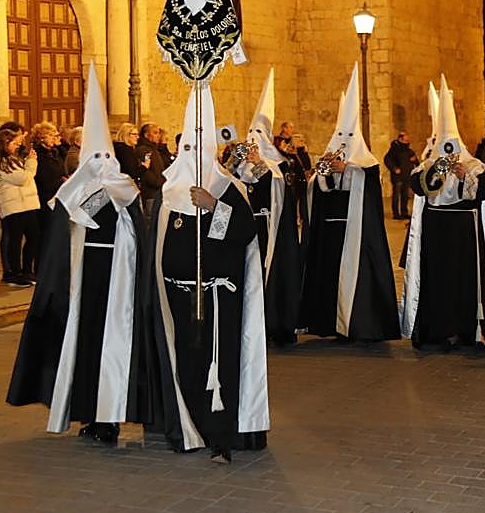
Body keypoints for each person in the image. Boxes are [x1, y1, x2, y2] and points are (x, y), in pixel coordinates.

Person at [8, 64, 149, 445]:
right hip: (82, 280)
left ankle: (111, 416)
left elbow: (135, 232)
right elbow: (62, 230)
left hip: (116, 282)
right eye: (94, 157)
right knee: (83, 348)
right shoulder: (72, 191)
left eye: (105, 157)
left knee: (112, 349)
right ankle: (87, 413)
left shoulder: (124, 188)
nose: (101, 164)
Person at [143, 83, 269, 462]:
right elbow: (157, 246)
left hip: (216, 298)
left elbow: (244, 234)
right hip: (177, 297)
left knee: (217, 366)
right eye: (187, 150)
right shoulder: (168, 195)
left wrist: (214, 206)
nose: (192, 158)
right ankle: (186, 427)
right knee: (185, 362)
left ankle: (220, 435)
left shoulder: (228, 190)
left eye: (199, 151)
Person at [300, 63, 400, 342]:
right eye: (340, 136)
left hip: (358, 234)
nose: (344, 141)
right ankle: (330, 324)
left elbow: (369, 192)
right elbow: (318, 191)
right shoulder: (330, 160)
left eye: (349, 136)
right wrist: (323, 175)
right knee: (329, 277)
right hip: (331, 233)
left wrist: (348, 170)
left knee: (357, 278)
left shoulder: (368, 165)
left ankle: (358, 325)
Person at [400, 76, 485, 351]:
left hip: (464, 232)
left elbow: (483, 193)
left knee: (462, 280)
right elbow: (418, 187)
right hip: (435, 230)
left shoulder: (474, 166)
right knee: (436, 280)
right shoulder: (426, 166)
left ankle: (465, 330)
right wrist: (436, 171)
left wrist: (465, 176)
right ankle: (436, 330)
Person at [225, 67, 303, 347]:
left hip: (269, 230)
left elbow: (274, 187)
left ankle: (275, 323)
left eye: (259, 134)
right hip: (245, 229)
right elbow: (226, 183)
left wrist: (258, 162)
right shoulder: (240, 166)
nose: (253, 140)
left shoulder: (278, 166)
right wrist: (235, 159)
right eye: (251, 133)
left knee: (270, 276)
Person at [0, 127, 41, 286]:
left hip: (27, 205)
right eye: (13, 143)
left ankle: (27, 270)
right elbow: (22, 179)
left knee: (34, 238)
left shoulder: (14, 159)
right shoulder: (2, 162)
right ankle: (14, 273)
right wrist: (31, 162)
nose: (16, 146)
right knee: (15, 241)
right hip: (14, 206)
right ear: (4, 144)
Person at [31, 121, 67, 269]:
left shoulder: (55, 153)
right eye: (52, 135)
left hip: (57, 197)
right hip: (44, 198)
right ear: (41, 138)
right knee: (44, 235)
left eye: (56, 135)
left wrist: (65, 179)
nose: (55, 138)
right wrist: (61, 182)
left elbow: (60, 171)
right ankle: (41, 267)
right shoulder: (38, 155)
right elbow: (43, 178)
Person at [384, 132, 419, 220]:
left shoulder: (408, 150)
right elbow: (387, 160)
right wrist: (394, 168)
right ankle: (396, 213)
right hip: (397, 177)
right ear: (400, 139)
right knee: (396, 195)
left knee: (405, 195)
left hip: (406, 176)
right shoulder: (394, 149)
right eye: (405, 139)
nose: (407, 141)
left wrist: (414, 160)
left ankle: (404, 212)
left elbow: (416, 161)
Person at [136, 123, 168, 219]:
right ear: (146, 135)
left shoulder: (154, 150)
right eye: (155, 133)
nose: (158, 135)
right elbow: (145, 171)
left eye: (158, 133)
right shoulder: (144, 150)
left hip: (157, 191)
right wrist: (158, 182)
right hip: (150, 193)